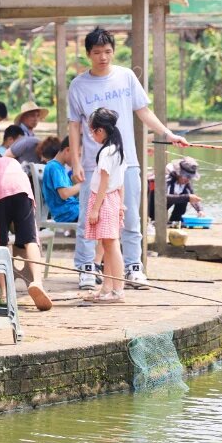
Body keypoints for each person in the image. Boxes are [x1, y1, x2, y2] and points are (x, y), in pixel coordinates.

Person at [68, 28, 189, 290]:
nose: (103, 57)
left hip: (127, 162)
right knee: (89, 215)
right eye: (97, 52)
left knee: (131, 216)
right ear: (88, 54)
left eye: (108, 52)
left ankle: (134, 267)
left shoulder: (126, 77)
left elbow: (143, 111)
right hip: (93, 163)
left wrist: (168, 134)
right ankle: (87, 267)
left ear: (114, 51)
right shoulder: (78, 85)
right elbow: (74, 126)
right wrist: (76, 162)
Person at [0, 148, 53, 311]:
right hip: (22, 191)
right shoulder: (12, 161)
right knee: (30, 239)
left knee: (0, 242)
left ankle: (3, 294)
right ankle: (37, 282)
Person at [82, 108, 127, 303]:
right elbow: (120, 182)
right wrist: (120, 205)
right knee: (107, 244)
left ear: (100, 130)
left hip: (105, 199)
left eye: (92, 131)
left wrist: (95, 209)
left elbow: (104, 182)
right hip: (113, 198)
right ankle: (106, 288)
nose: (92, 135)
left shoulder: (107, 152)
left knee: (111, 244)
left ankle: (118, 290)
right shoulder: (116, 149)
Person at [151, 157, 204, 225]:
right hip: (152, 207)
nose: (188, 180)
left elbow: (192, 195)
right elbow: (162, 197)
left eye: (190, 177)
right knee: (185, 197)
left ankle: (175, 220)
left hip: (164, 207)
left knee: (185, 198)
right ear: (179, 173)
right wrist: (187, 197)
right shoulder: (166, 177)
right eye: (186, 176)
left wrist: (200, 210)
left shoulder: (185, 182)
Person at [40, 137, 82, 224]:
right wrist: (82, 185)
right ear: (67, 150)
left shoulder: (60, 168)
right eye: (78, 155)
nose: (79, 159)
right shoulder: (54, 167)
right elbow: (64, 194)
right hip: (68, 214)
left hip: (72, 211)